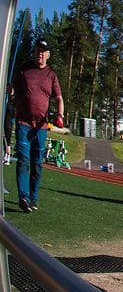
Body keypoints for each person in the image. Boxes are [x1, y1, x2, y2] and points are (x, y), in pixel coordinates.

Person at [12, 39, 64, 213]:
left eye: (43, 51)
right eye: (37, 51)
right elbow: (13, 89)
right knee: (23, 161)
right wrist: (9, 89)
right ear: (34, 53)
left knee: (37, 163)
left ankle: (33, 198)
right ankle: (23, 197)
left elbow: (58, 98)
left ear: (48, 55)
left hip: (40, 127)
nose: (40, 54)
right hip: (23, 123)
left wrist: (60, 115)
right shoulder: (24, 70)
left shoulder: (51, 75)